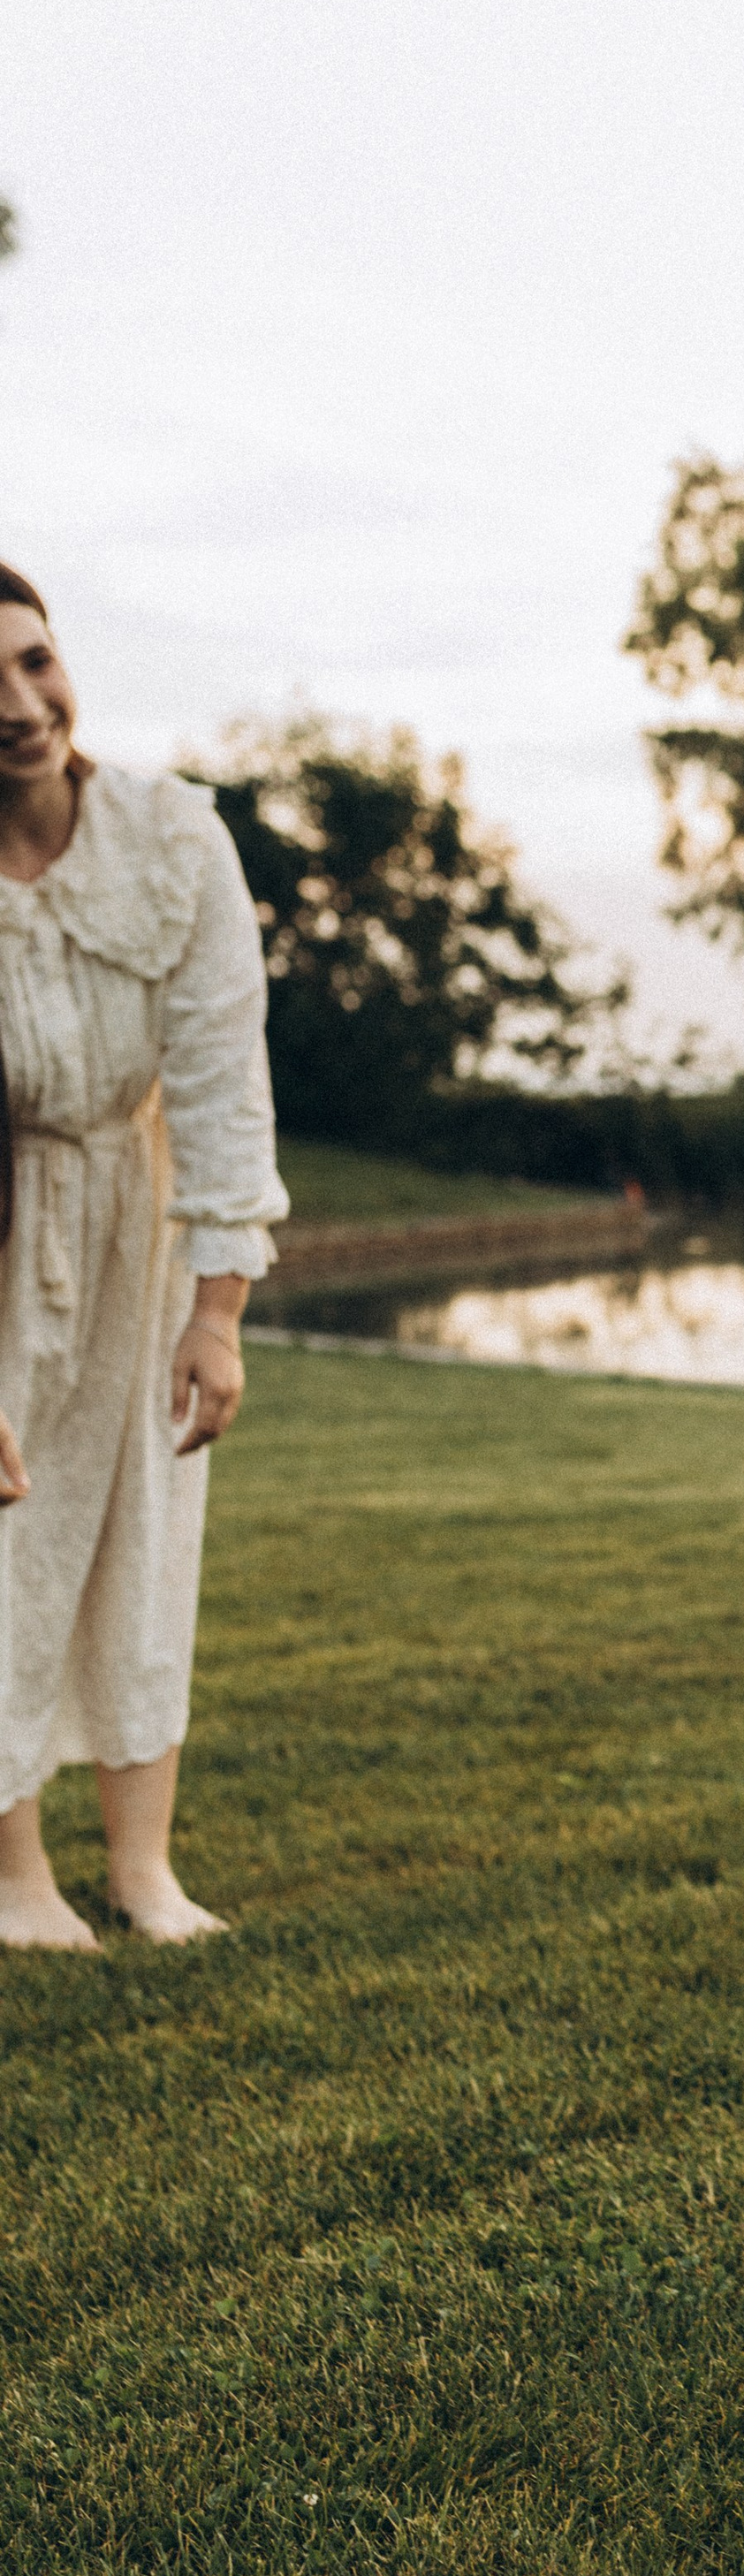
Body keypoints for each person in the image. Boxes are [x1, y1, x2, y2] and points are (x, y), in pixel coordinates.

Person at [0, 563, 287, 1946]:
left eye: (34, 662)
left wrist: (217, 1310)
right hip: (7, 1223)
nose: (19, 706)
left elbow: (225, 1080)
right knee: (2, 1542)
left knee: (144, 1537)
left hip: (143, 1214)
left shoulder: (173, 844)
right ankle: (15, 1878)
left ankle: (142, 1871)